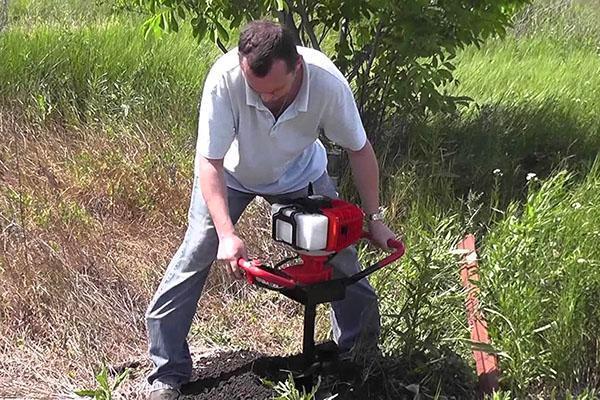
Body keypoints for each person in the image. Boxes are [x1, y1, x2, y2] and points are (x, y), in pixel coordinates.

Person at [145, 19, 397, 400]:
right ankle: (168, 372)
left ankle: (358, 355)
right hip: (230, 175)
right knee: (198, 250)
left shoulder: (327, 84)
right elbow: (209, 162)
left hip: (300, 176)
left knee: (341, 252)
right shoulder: (225, 79)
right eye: (257, 90)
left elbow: (359, 150)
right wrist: (227, 235)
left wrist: (375, 219)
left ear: (297, 66)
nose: (266, 99)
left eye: (276, 91)